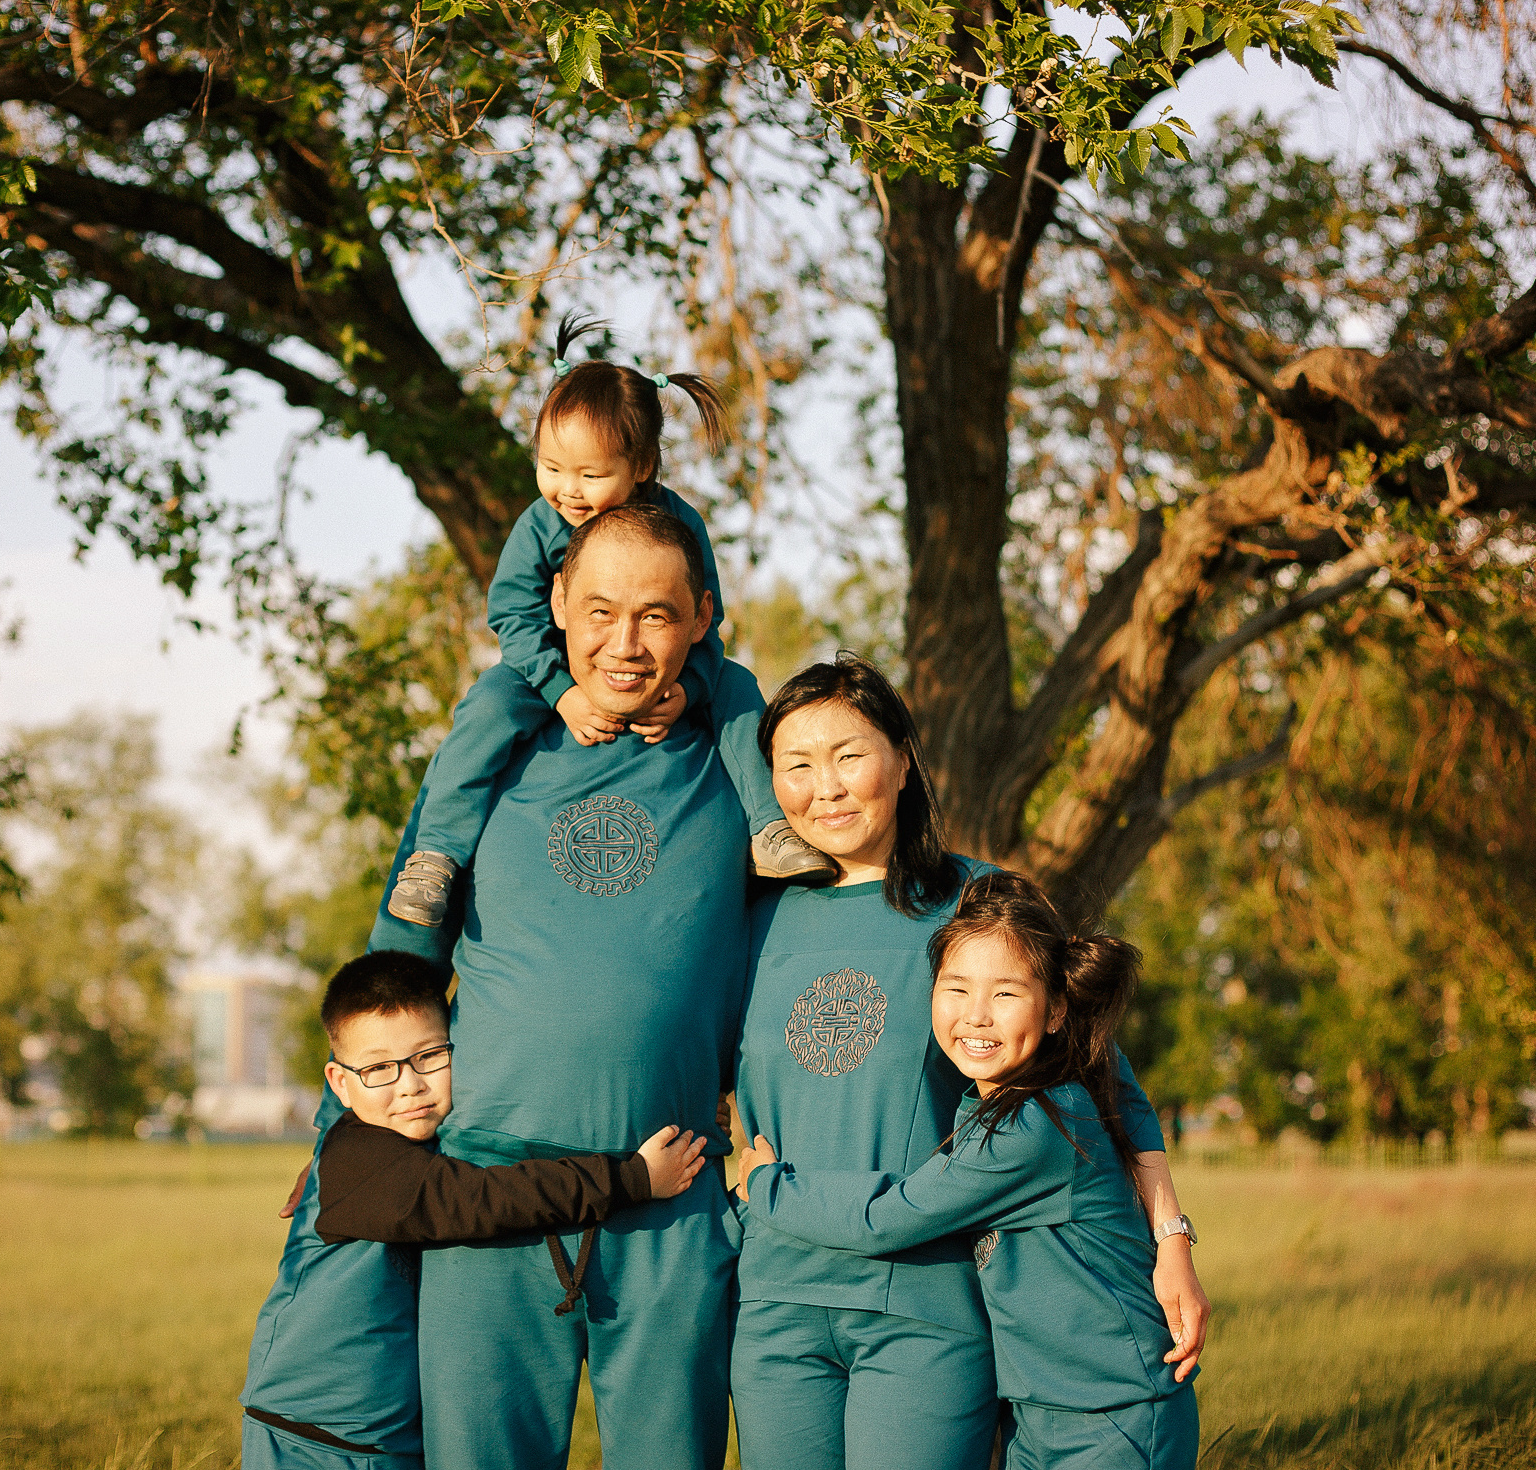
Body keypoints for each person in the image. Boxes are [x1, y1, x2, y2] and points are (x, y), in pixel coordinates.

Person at [728, 656, 1206, 1470]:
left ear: (904, 760)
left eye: (849, 755)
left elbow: (1104, 1079)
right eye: (796, 766)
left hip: (925, 1301)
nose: (827, 787)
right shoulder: (749, 917)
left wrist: (1172, 1240)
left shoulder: (980, 903)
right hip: (776, 1296)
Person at [362, 500, 755, 1470]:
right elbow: (408, 940)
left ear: (702, 616)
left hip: (673, 1198)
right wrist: (357, 1122)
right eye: (602, 611)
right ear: (558, 606)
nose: (626, 644)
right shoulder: (496, 747)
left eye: (658, 615)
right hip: (487, 1198)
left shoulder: (741, 761)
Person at [382, 312, 835, 928]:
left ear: (642, 466)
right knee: (487, 708)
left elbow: (707, 619)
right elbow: (511, 611)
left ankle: (770, 828)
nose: (567, 490)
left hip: (657, 678)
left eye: (590, 475)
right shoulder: (540, 527)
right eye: (551, 468)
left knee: (737, 688)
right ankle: (436, 854)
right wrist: (559, 691)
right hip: (544, 667)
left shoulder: (679, 527)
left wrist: (689, 689)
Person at [239, 952, 710, 1470]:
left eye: (430, 1056)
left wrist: (676, 1097)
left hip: (384, 1437)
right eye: (378, 1068)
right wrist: (628, 1178)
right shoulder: (356, 1160)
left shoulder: (435, 1142)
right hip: (314, 1434)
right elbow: (477, 1199)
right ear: (340, 1081)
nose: (410, 1085)